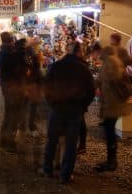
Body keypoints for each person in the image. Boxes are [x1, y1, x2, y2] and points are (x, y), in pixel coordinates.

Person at [41, 42, 96, 184]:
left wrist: (51, 103)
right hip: (74, 110)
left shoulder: (56, 66)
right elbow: (91, 91)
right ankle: (65, 175)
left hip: (57, 108)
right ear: (78, 52)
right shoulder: (83, 69)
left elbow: (46, 87)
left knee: (52, 141)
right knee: (71, 144)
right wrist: (82, 106)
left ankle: (47, 169)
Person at [95, 34, 132, 173]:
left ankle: (112, 161)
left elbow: (110, 79)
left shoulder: (111, 62)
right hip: (112, 102)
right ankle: (111, 160)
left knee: (109, 131)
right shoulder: (111, 61)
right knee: (108, 130)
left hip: (113, 103)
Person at [0, 32, 27, 152]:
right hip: (13, 87)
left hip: (7, 87)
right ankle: (9, 142)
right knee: (13, 115)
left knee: (9, 113)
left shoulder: (4, 52)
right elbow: (18, 68)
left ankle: (4, 139)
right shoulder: (9, 54)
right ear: (10, 40)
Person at [26, 37, 44, 137]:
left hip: (33, 81)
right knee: (33, 105)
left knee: (33, 105)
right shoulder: (30, 53)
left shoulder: (31, 52)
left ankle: (31, 126)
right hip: (33, 82)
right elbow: (32, 67)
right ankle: (31, 127)